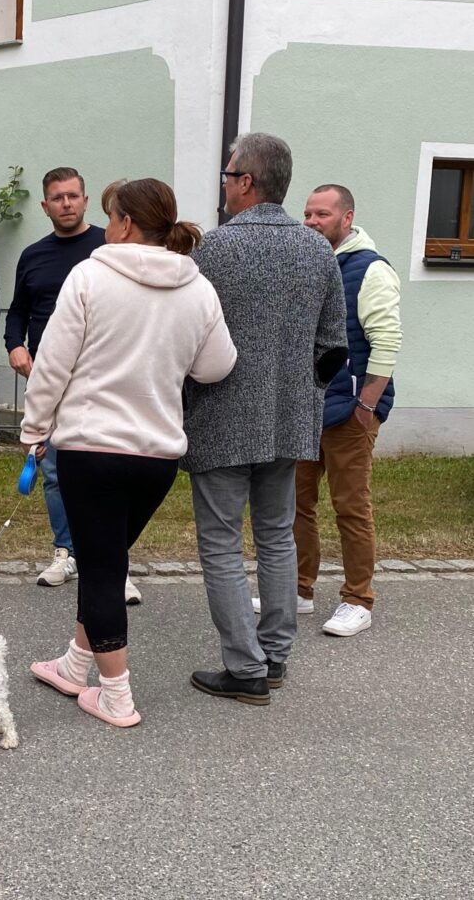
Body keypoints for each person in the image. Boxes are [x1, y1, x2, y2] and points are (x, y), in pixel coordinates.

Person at [22, 178, 236, 726]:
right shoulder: (198, 287)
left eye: (109, 213)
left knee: (100, 569)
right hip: (157, 456)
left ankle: (116, 695)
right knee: (105, 559)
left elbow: (52, 363)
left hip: (91, 448)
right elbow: (216, 366)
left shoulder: (90, 276)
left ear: (126, 223)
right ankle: (75, 665)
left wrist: (34, 428)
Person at [184, 133, 347, 706]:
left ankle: (246, 668)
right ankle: (274, 657)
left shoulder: (213, 252)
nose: (224, 186)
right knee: (277, 537)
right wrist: (302, 395)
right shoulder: (318, 249)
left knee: (223, 543)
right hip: (289, 420)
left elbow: (189, 339)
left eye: (228, 176)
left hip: (221, 415)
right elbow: (334, 345)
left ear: (247, 181)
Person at [5, 167, 141, 602]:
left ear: (86, 202)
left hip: (103, 380)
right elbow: (18, 312)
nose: (66, 204)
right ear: (45, 207)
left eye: (73, 196)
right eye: (57, 198)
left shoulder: (110, 246)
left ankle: (114, 565)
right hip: (49, 379)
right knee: (54, 472)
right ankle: (65, 551)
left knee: (109, 473)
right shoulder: (33, 255)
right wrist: (14, 346)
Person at [291, 184, 401, 637]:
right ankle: (298, 591)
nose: (313, 221)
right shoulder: (313, 264)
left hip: (349, 411)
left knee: (350, 507)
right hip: (306, 409)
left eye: (322, 214)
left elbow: (386, 341)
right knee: (295, 505)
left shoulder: (370, 269)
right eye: (308, 214)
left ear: (347, 218)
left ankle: (358, 599)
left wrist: (367, 407)